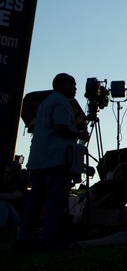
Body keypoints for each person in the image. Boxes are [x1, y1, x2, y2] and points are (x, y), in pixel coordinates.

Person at [19, 73, 87, 246]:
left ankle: (25, 237)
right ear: (62, 85)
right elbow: (60, 127)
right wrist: (78, 134)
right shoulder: (62, 102)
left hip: (39, 160)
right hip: (56, 160)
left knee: (34, 201)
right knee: (55, 201)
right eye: (72, 85)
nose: (75, 89)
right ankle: (50, 238)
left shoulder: (45, 103)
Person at [0, 161, 26, 228]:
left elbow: (14, 196)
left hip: (15, 217)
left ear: (16, 174)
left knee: (3, 205)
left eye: (10, 173)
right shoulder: (2, 183)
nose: (6, 175)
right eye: (5, 172)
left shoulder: (20, 185)